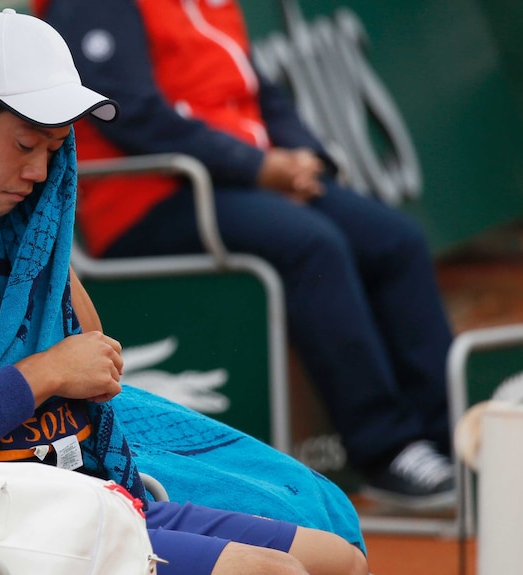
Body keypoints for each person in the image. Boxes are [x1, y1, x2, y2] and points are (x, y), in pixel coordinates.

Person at [0, 10, 368, 575]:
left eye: (53, 150)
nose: (38, 170)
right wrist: (46, 373)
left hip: (61, 490)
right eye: (25, 144)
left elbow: (93, 354)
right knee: (273, 573)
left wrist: (44, 239)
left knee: (338, 560)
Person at [34, 0, 456, 510]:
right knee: (312, 244)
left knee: (396, 240)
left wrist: (304, 159)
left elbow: (260, 91)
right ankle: (387, 449)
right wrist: (258, 166)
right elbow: (131, 111)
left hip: (242, 182)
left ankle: (452, 437)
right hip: (149, 195)